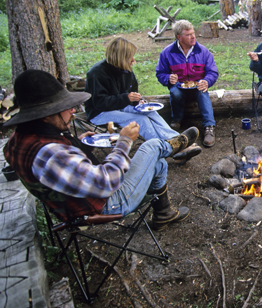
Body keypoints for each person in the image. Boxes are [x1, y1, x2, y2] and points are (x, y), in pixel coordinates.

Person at [3, 69, 199, 231]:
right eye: (65, 107)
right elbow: (107, 183)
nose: (72, 111)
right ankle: (174, 144)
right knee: (151, 146)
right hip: (106, 205)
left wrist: (78, 145)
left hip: (69, 204)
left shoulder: (17, 141)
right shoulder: (51, 154)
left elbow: (61, 170)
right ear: (46, 115)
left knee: (158, 163)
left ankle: (164, 213)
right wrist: (124, 141)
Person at [85, 37, 201, 163]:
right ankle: (168, 149)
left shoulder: (125, 69)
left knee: (149, 111)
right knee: (140, 120)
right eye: (130, 57)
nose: (133, 60)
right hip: (100, 113)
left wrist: (137, 101)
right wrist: (126, 98)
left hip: (120, 106)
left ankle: (178, 140)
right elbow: (99, 103)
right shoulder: (96, 73)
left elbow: (132, 92)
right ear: (120, 57)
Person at [156, 20, 218, 148]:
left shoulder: (203, 51)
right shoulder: (167, 53)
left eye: (193, 33)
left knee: (203, 92)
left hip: (197, 86)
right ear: (179, 37)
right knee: (175, 92)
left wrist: (206, 81)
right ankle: (177, 120)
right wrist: (168, 78)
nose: (193, 37)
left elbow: (213, 72)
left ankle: (209, 127)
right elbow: (160, 73)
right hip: (179, 86)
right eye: (188, 34)